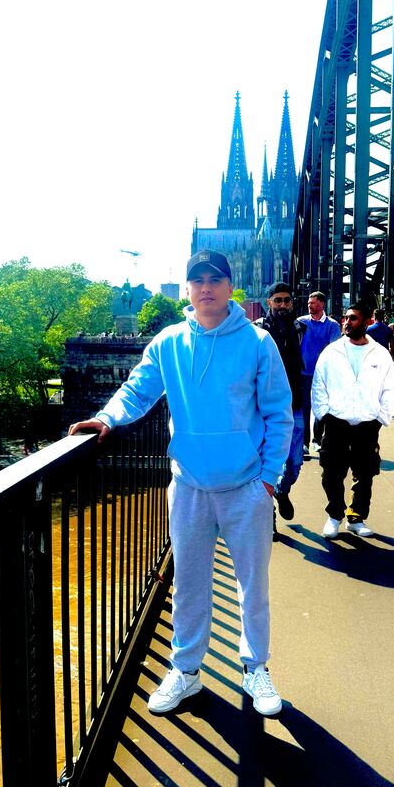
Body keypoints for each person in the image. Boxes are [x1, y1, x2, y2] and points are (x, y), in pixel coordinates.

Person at [69, 249, 292, 716]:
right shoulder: (168, 342)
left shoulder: (257, 342)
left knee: (253, 586)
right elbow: (138, 389)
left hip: (246, 487)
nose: (206, 288)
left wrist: (268, 480)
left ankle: (256, 667)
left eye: (215, 279)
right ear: (187, 289)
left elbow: (278, 413)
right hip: (189, 486)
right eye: (197, 280)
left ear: (230, 286)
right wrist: (107, 418)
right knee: (189, 584)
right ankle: (186, 670)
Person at [312, 300, 394, 539]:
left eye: (353, 318)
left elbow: (389, 388)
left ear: (367, 321)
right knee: (331, 473)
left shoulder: (380, 354)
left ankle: (356, 517)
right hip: (336, 421)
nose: (347, 322)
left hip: (367, 423)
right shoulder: (331, 352)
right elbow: (319, 385)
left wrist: (381, 417)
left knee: (365, 473)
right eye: (346, 318)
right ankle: (334, 516)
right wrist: (324, 414)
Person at [254, 282, 305, 524]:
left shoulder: (300, 328)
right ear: (269, 302)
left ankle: (282, 491)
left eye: (287, 300)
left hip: (294, 404)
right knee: (264, 463)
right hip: (263, 407)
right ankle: (269, 517)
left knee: (294, 463)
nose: (283, 305)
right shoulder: (257, 330)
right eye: (278, 300)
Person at [297, 291, 341, 450]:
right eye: (309, 303)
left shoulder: (332, 326)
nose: (310, 305)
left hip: (323, 374)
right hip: (303, 373)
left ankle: (317, 439)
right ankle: (304, 443)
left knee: (321, 407)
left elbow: (335, 349)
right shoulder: (301, 322)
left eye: (313, 303)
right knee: (304, 408)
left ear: (322, 304)